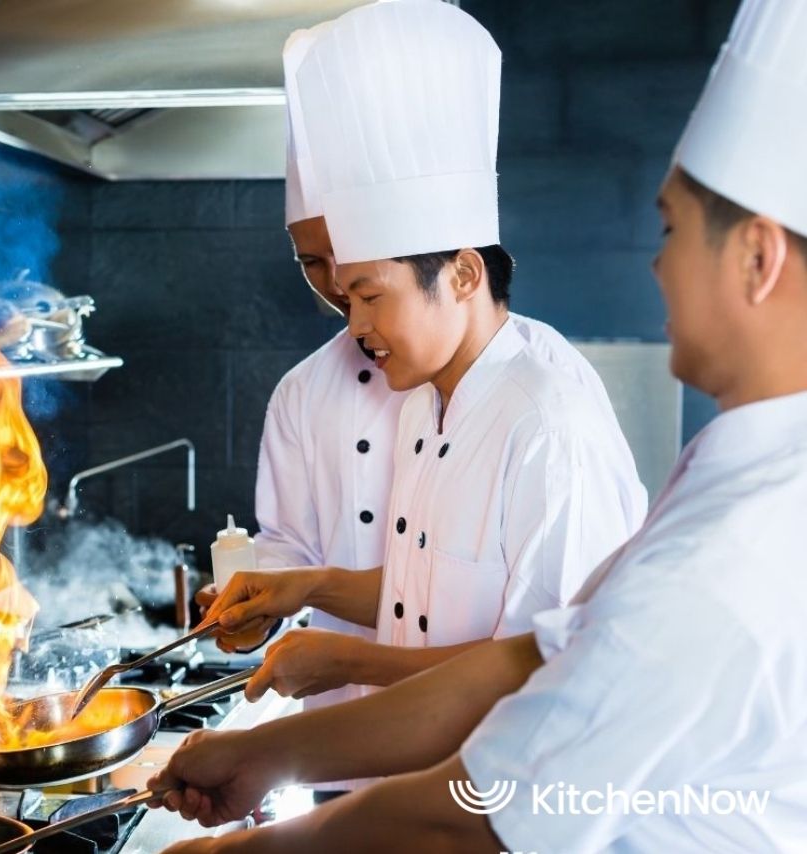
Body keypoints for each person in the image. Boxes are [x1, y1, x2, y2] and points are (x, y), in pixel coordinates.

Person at [152, 0, 807, 849]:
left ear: (757, 259)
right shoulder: (731, 481)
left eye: (673, 229)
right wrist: (271, 754)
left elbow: (483, 813)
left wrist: (240, 848)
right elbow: (525, 663)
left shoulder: (737, 540)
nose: (656, 264)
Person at [215, 0, 645, 706]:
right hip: (418, 763)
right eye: (339, 291)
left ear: (464, 275)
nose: (352, 324)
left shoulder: (547, 423)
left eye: (369, 295)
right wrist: (308, 586)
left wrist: (352, 662)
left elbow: (564, 663)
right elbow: (430, 593)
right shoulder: (425, 403)